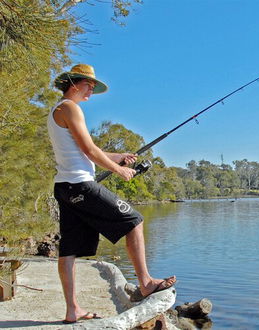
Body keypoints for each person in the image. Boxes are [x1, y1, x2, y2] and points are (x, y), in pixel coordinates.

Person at [48, 64, 176, 324]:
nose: (91, 90)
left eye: (94, 86)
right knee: (134, 221)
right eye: (88, 85)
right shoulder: (70, 108)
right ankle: (147, 283)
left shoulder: (58, 110)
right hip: (80, 185)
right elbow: (88, 149)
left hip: (65, 187)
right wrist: (119, 170)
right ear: (73, 83)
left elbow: (87, 150)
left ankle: (72, 309)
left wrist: (120, 157)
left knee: (69, 249)